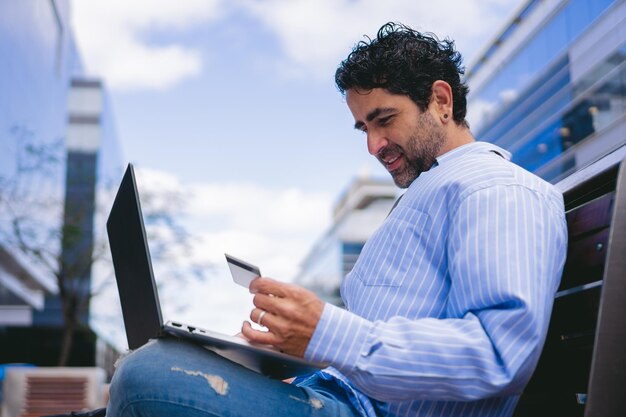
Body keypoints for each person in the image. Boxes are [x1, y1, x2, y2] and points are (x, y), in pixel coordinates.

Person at [106, 22, 567, 417]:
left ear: (441, 102)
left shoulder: (497, 189)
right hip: (332, 396)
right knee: (160, 358)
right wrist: (291, 346)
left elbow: (498, 352)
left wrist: (325, 331)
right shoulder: (436, 190)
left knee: (143, 376)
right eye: (364, 128)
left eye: (385, 119)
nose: (374, 146)